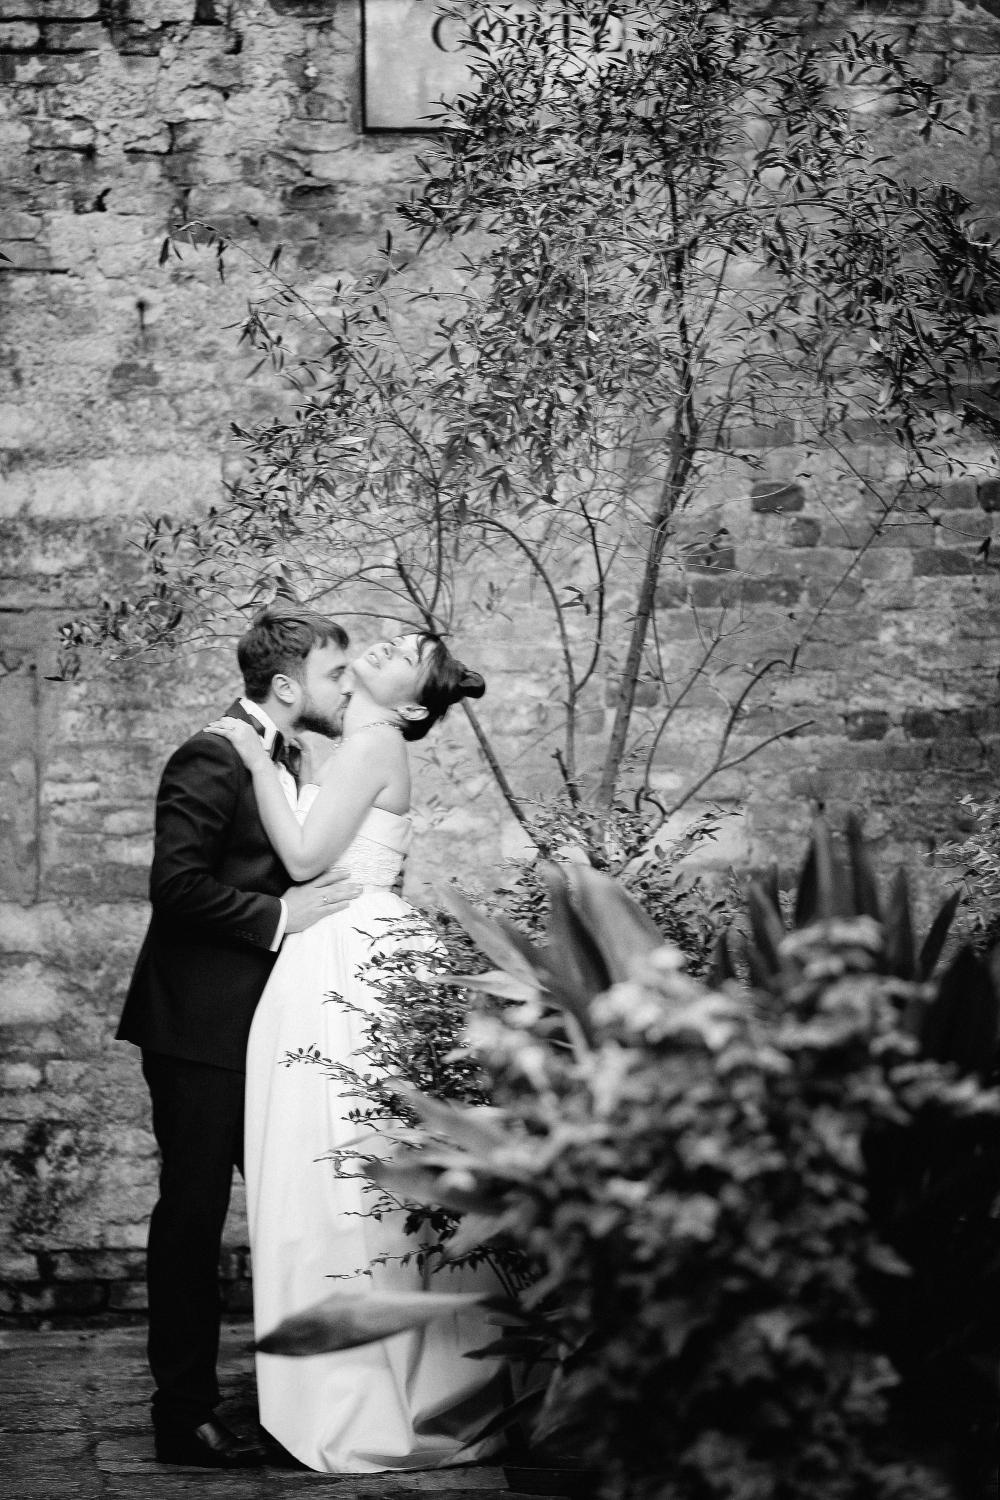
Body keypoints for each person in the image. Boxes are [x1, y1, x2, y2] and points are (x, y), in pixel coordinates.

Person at [205, 631, 508, 1473]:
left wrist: (253, 755)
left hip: (345, 954)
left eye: (407, 648)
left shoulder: (374, 746)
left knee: (340, 1170)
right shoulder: (351, 749)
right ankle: (345, 1375)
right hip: (333, 946)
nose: (385, 640)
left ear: (412, 705)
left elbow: (304, 858)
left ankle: (360, 1396)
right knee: (338, 1169)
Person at [117, 605, 362, 1469]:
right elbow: (175, 887)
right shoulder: (211, 753)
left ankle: (301, 1399)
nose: (348, 688)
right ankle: (182, 1416)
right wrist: (283, 916)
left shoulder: (286, 754)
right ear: (288, 685)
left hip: (269, 1028)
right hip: (196, 1028)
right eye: (337, 675)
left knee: (296, 1213)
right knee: (191, 1218)